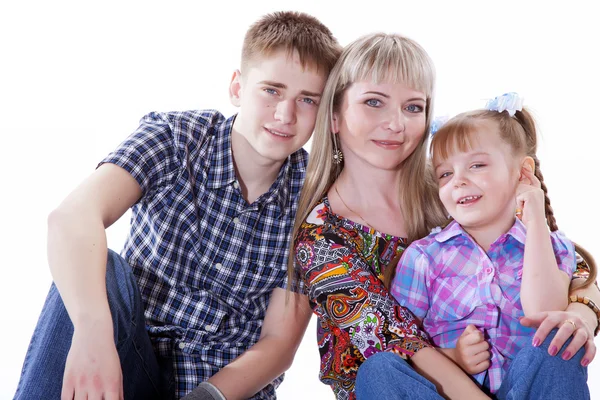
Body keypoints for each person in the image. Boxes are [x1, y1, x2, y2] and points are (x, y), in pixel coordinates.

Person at [14, 11, 341, 400]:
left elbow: (279, 343)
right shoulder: (175, 138)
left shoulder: (316, 198)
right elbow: (72, 217)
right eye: (271, 90)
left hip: (221, 387)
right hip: (125, 366)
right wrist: (93, 337)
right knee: (102, 266)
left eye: (307, 100)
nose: (286, 115)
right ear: (238, 88)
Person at [289, 33, 600, 400]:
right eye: (374, 102)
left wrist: (583, 313)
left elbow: (570, 267)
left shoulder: (455, 192)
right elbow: (398, 342)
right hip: (413, 387)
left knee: (552, 345)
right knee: (381, 370)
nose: (395, 123)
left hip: (517, 382)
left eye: (413, 107)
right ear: (335, 116)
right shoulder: (324, 239)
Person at [390, 93, 597, 398]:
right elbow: (402, 346)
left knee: (558, 339)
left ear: (522, 173)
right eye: (445, 173)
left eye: (476, 165)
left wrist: (536, 219)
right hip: (452, 393)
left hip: (531, 390)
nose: (457, 180)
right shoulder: (423, 257)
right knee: (380, 368)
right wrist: (454, 358)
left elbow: (545, 312)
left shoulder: (553, 248)